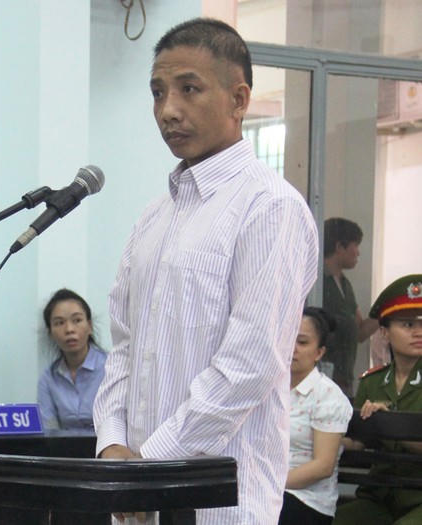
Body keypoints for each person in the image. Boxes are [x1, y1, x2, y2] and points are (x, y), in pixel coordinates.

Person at [93, 17, 318, 524]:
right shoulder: (154, 215)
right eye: (157, 92)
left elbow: (250, 364)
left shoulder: (269, 207)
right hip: (136, 496)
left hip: (221, 504)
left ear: (239, 100)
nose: (168, 110)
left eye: (188, 89)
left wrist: (150, 465)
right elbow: (123, 347)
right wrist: (112, 446)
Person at [334, 274, 422, 525]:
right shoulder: (372, 382)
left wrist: (387, 422)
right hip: (380, 495)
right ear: (384, 332)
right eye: (407, 324)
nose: (418, 332)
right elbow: (359, 442)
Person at [280, 307, 353, 525]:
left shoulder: (327, 395)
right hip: (266, 492)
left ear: (319, 353)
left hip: (306, 501)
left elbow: (323, 466)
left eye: (302, 342)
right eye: (287, 339)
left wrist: (270, 484)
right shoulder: (270, 389)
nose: (292, 348)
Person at [320, 218, 379, 396]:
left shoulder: (345, 285)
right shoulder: (317, 282)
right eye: (356, 245)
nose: (358, 253)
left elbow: (360, 331)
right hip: (321, 379)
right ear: (340, 247)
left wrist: (388, 309)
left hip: (344, 381)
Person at [37, 288, 106, 430]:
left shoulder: (111, 368)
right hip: (62, 445)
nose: (69, 329)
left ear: (90, 326)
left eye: (77, 320)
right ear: (50, 333)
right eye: (59, 323)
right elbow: (49, 430)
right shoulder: (48, 379)